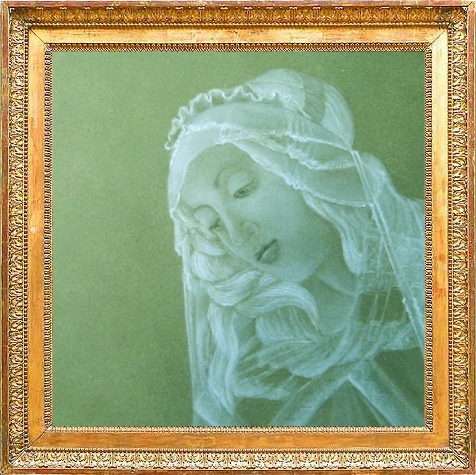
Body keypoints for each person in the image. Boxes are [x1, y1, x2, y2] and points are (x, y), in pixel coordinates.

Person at [165, 69, 424, 427]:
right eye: (213, 225)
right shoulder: (271, 353)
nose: (238, 234)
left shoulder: (430, 260)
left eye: (242, 189)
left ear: (305, 168)